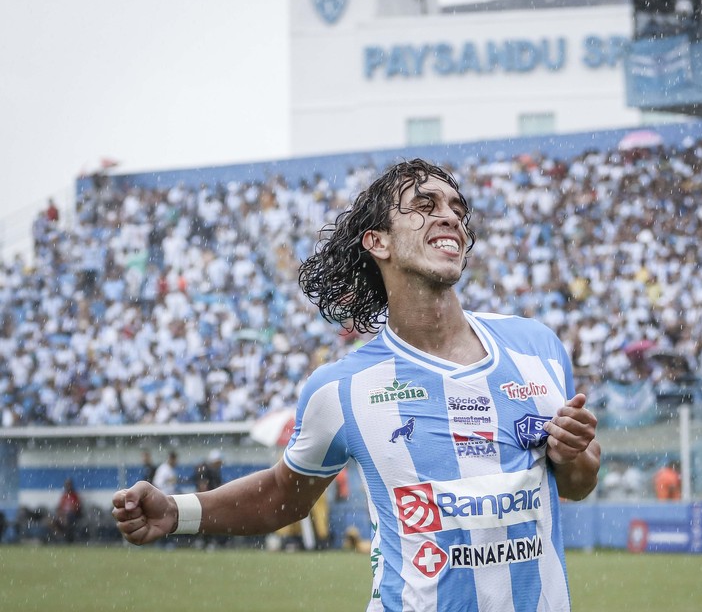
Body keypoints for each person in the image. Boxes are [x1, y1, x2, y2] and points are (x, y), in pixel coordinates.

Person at [113, 159, 601, 612]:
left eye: (457, 208)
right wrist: (177, 512)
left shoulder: (536, 346)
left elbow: (578, 483)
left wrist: (574, 452)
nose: (450, 217)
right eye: (424, 207)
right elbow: (283, 494)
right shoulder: (342, 388)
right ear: (378, 242)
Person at [49, 478, 83, 543]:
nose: (68, 487)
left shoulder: (75, 496)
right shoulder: (64, 496)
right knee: (50, 521)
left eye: (69, 485)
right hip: (62, 515)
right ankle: (59, 536)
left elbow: (77, 508)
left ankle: (67, 537)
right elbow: (60, 507)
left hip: (72, 516)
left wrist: (66, 513)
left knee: (67, 517)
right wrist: (60, 513)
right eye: (66, 485)